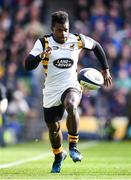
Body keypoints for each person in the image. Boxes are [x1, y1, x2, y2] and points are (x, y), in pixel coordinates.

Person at [24, 10, 112, 173]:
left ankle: (73, 146)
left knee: (72, 105)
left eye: (66, 29)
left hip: (71, 84)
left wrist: (105, 69)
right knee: (53, 128)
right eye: (59, 30)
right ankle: (58, 155)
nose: (63, 33)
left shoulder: (77, 39)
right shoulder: (43, 42)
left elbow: (97, 46)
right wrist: (41, 56)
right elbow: (28, 64)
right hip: (51, 89)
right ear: (52, 29)